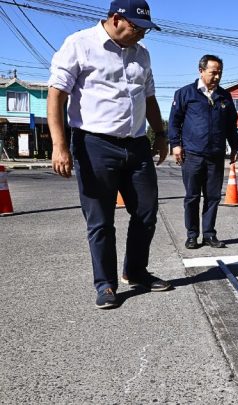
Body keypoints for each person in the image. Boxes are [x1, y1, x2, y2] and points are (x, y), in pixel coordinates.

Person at [47, 0, 171, 310]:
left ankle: (136, 270)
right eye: (136, 28)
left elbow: (150, 97)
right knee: (100, 220)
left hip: (137, 144)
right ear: (116, 19)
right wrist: (59, 145)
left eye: (145, 30)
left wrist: (161, 134)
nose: (142, 35)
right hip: (94, 144)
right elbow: (56, 95)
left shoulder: (142, 54)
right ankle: (106, 284)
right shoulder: (80, 44)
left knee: (146, 212)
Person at [168, 55, 238, 250]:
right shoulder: (185, 94)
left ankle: (209, 234)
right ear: (201, 70)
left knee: (213, 197)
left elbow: (231, 125)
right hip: (192, 155)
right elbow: (174, 121)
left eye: (220, 73)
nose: (217, 77)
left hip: (215, 156)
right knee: (192, 196)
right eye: (213, 72)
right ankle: (192, 235)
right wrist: (175, 144)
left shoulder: (225, 97)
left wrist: (234, 146)